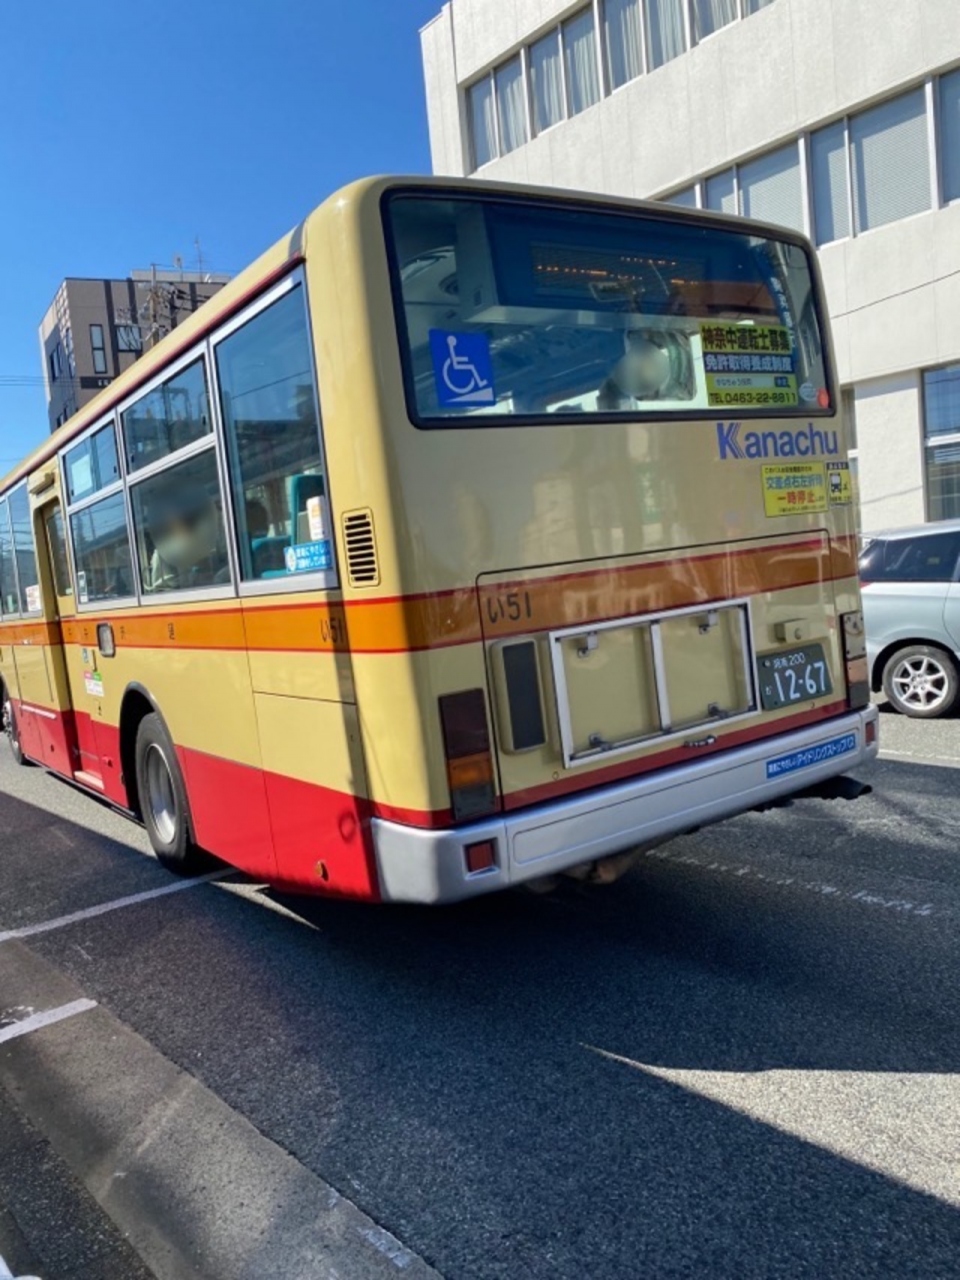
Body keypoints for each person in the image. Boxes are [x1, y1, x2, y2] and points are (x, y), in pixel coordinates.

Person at [143, 481, 229, 592]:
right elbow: (162, 588)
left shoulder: (211, 529)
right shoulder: (164, 550)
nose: (172, 519)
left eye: (176, 513)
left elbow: (231, 561)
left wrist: (213, 573)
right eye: (166, 517)